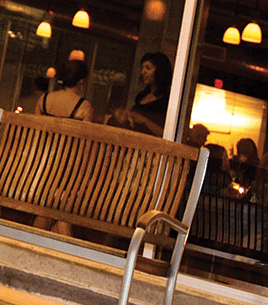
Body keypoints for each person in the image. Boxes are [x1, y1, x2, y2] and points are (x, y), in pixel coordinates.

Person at [32, 58, 93, 235]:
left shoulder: (44, 99)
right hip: (68, 170)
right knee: (61, 208)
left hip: (42, 167)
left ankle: (29, 244)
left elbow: (35, 135)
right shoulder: (84, 107)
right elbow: (85, 147)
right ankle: (70, 255)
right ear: (82, 81)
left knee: (54, 206)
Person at [107, 51, 173, 136]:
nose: (143, 72)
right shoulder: (141, 96)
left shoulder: (167, 99)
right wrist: (124, 119)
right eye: (142, 68)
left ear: (160, 71)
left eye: (148, 68)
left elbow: (168, 134)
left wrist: (144, 120)